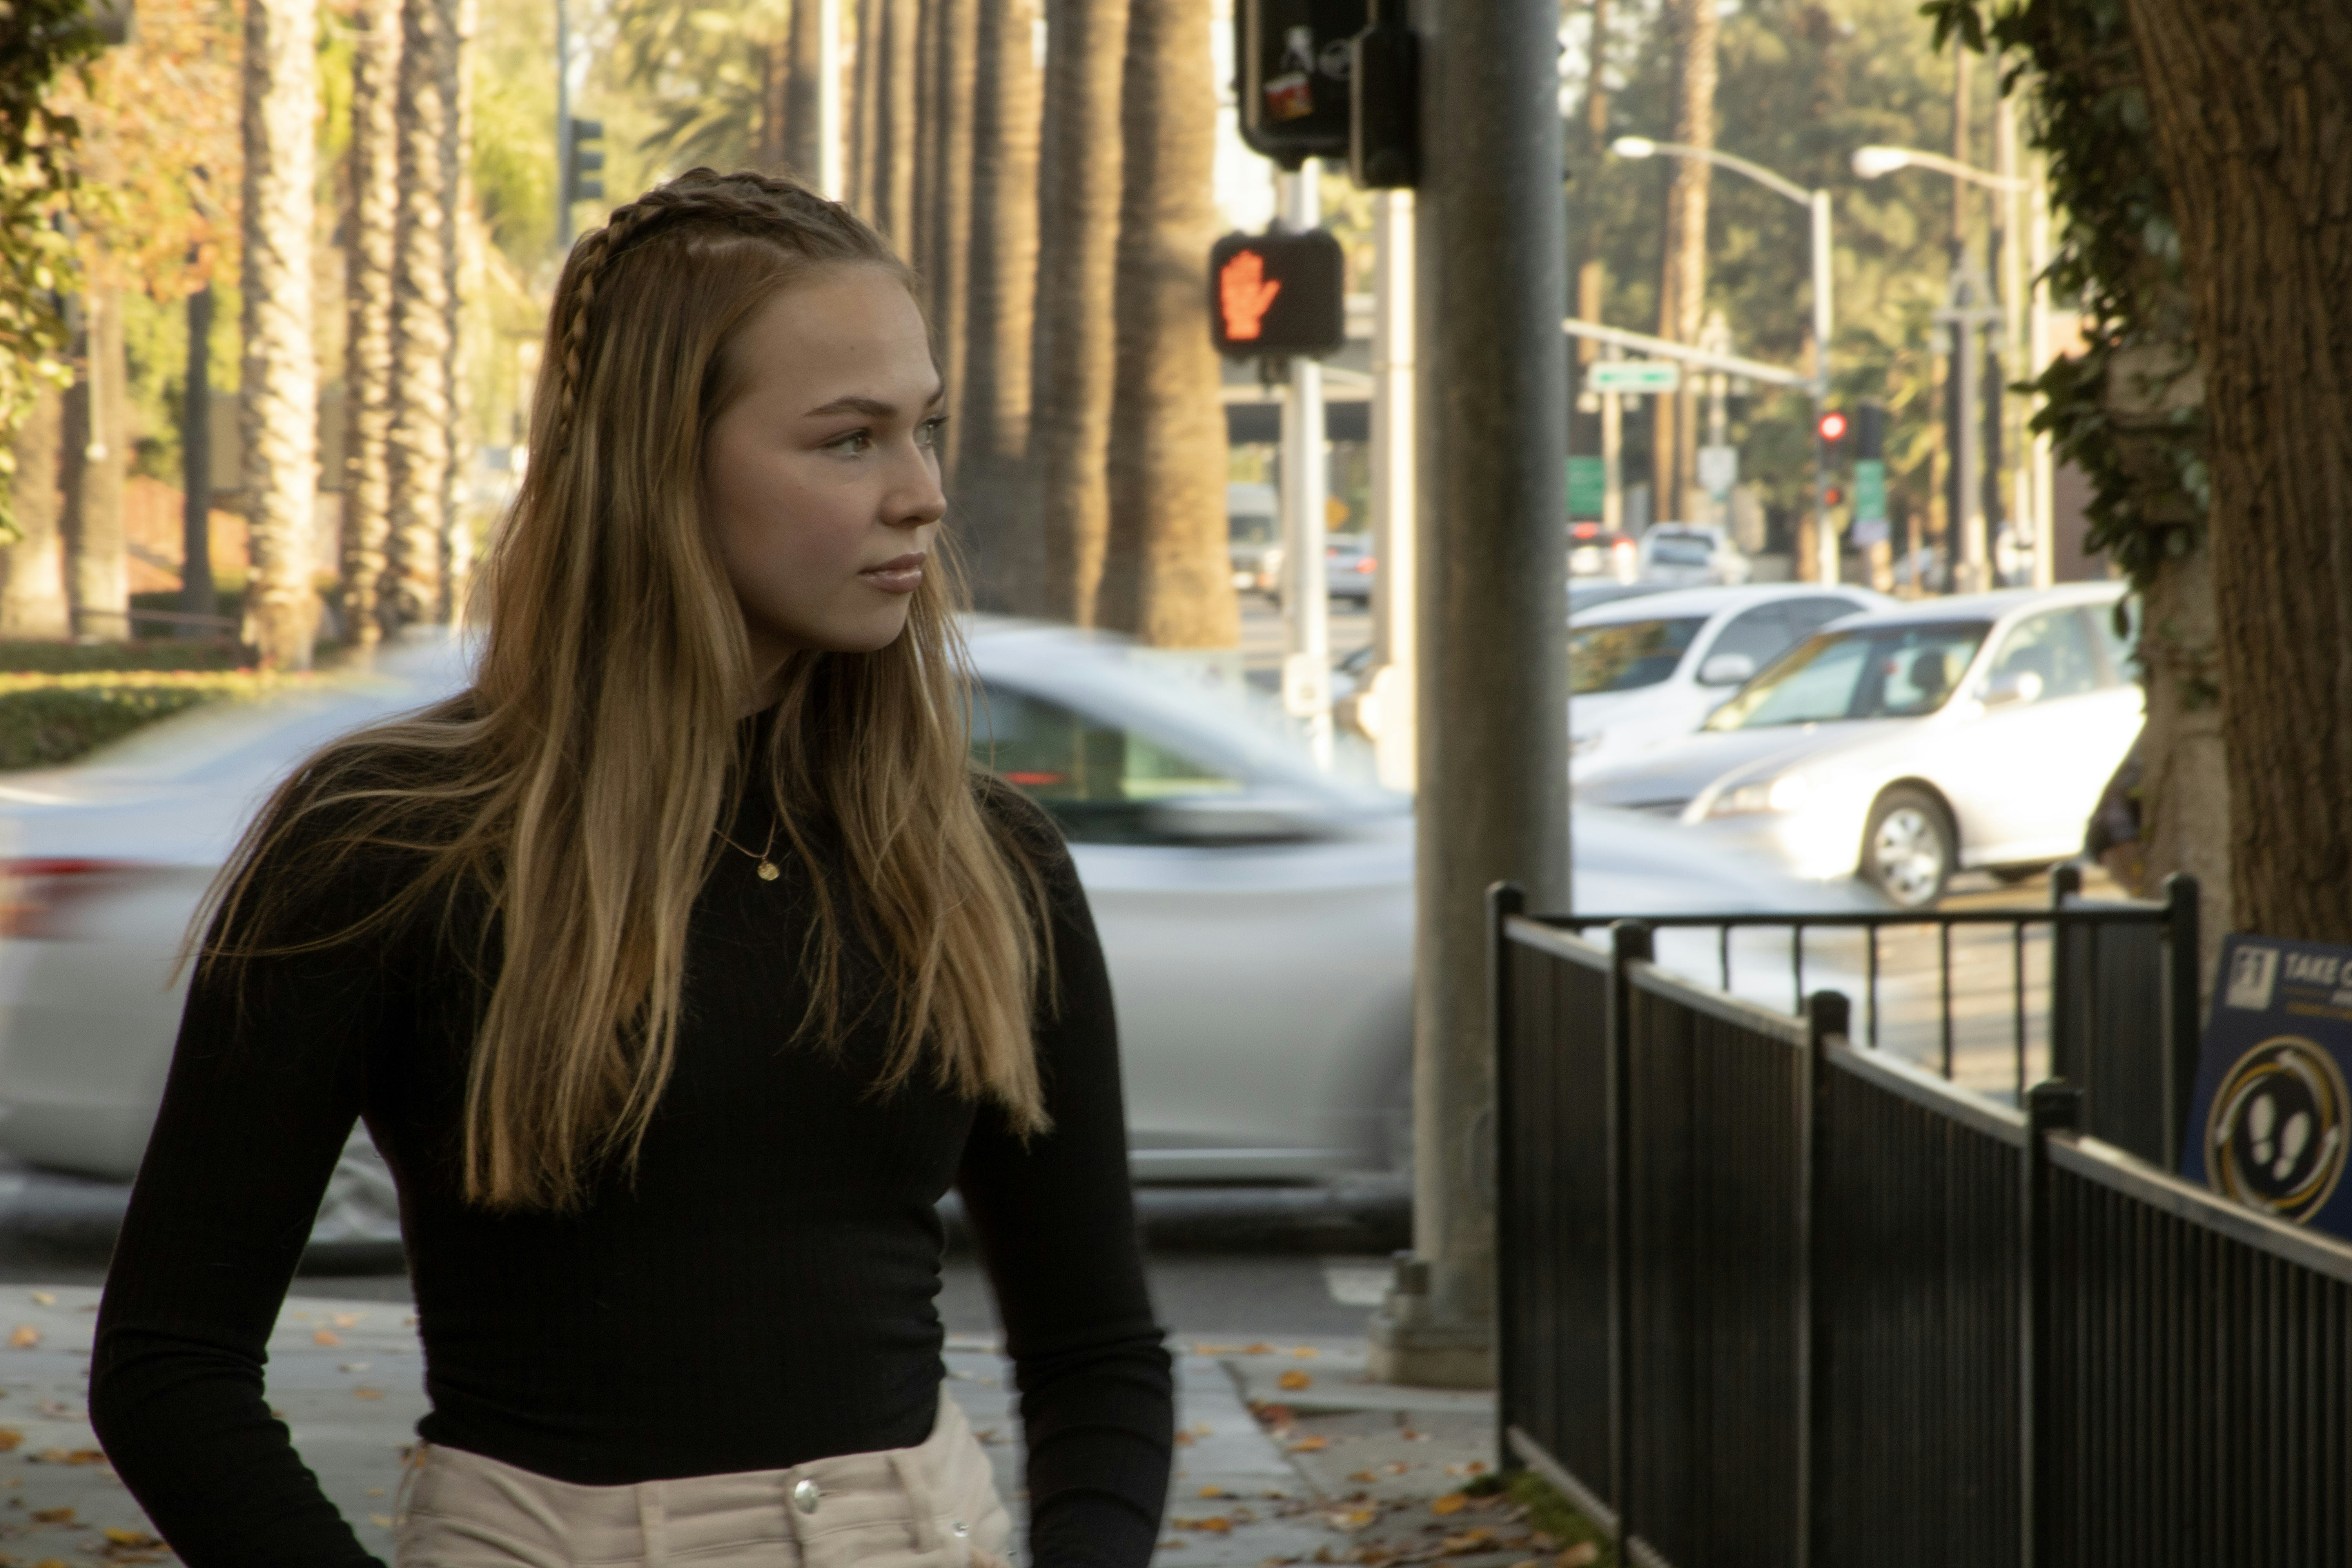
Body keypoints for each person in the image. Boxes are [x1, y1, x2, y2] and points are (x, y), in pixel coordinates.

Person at [88, 168, 1174, 1568]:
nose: (922, 495)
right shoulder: (387, 842)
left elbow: (1100, 1353)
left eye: (925, 431)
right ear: (659, 461)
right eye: (848, 441)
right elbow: (170, 1364)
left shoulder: (986, 856)